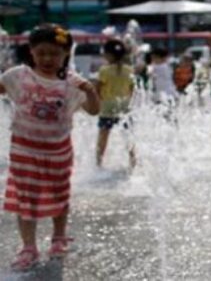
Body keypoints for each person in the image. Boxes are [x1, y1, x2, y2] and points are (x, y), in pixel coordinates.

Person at [0, 24, 100, 271]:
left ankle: (58, 237)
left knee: (59, 196)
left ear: (66, 54)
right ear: (31, 52)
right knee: (26, 198)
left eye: (54, 54)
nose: (47, 59)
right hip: (24, 148)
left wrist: (91, 91)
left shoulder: (72, 83)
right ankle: (28, 247)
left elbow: (94, 110)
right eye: (42, 52)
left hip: (58, 150)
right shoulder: (18, 76)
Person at [95, 39, 135, 168]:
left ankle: (99, 163)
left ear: (109, 55)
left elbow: (98, 88)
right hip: (124, 107)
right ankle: (133, 160)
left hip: (107, 107)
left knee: (103, 135)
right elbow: (132, 89)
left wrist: (98, 100)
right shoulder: (129, 70)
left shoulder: (104, 70)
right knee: (128, 135)